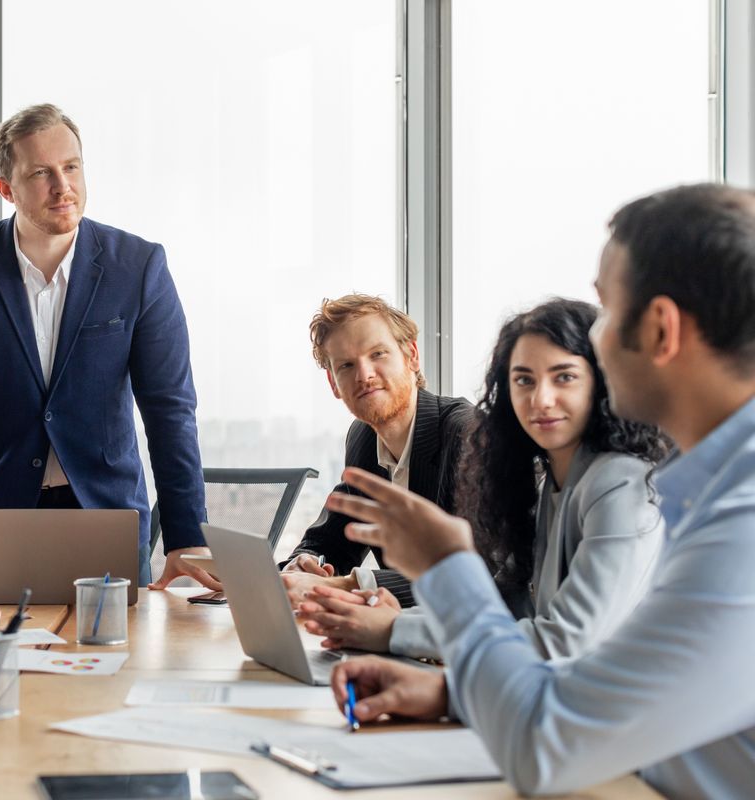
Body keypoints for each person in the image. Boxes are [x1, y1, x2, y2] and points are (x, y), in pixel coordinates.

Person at [328, 184, 755, 798]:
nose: (594, 337)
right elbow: (607, 696)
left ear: (661, 330)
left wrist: (447, 566)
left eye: (605, 311)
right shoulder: (705, 494)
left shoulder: (735, 529)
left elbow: (546, 747)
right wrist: (452, 691)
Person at [0, 104, 217, 591]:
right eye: (41, 173)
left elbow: (170, 409)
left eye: (71, 167)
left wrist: (187, 536)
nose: (62, 186)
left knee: (109, 662)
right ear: (7, 189)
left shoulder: (139, 267)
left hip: (105, 515)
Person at [297, 299, 667, 658]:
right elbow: (509, 605)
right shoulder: (556, 480)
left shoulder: (617, 483)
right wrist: (386, 618)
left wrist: (393, 628)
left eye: (564, 377)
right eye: (523, 380)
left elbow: (557, 636)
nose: (541, 399)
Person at [280, 295, 472, 608]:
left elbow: (478, 574)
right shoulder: (363, 439)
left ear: (411, 356)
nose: (364, 375)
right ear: (333, 383)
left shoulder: (466, 435)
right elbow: (333, 538)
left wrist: (351, 584)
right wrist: (304, 564)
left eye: (377, 354)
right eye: (346, 365)